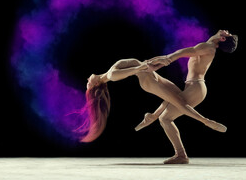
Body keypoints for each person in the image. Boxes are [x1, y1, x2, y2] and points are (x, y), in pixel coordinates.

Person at [134, 30, 238, 164]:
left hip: (196, 88)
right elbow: (180, 55)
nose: (226, 30)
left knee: (165, 118)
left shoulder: (208, 47)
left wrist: (166, 58)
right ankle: (179, 150)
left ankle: (182, 154)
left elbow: (182, 52)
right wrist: (160, 63)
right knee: (168, 103)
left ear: (222, 38)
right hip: (193, 87)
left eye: (227, 33)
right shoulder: (207, 47)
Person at [80, 56, 227, 143]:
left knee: (177, 101)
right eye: (88, 85)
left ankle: (153, 118)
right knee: (179, 103)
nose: (87, 80)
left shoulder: (110, 72)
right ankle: (207, 122)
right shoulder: (112, 75)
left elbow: (141, 65)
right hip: (149, 81)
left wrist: (156, 61)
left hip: (152, 77)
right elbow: (138, 69)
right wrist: (150, 64)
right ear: (97, 84)